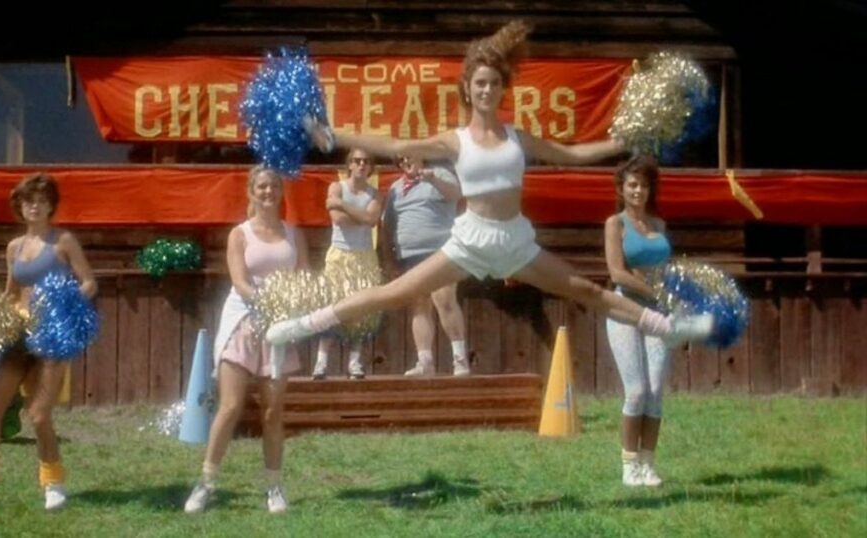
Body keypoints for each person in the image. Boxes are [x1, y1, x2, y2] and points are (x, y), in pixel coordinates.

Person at [266, 20, 713, 354]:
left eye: (494, 83)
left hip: (515, 241)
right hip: (470, 240)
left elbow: (572, 154)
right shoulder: (454, 140)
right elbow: (396, 144)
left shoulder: (518, 137)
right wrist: (332, 136)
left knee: (589, 291)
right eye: (480, 83)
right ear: (468, 88)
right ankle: (300, 326)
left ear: (502, 88)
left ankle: (669, 328)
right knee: (394, 293)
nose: (487, 90)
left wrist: (621, 141)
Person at [0, 173, 96, 514]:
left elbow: (88, 283)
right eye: (29, 201)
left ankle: (53, 484)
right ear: (20, 207)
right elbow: (12, 292)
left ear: (51, 206)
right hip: (18, 336)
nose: (35, 207)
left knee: (39, 415)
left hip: (52, 337)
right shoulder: (14, 247)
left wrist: (66, 306)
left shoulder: (64, 241)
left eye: (41, 201)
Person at [184, 166, 309, 514]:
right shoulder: (239, 235)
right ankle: (206, 483)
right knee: (230, 407)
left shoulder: (294, 235)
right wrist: (268, 304)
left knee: (272, 411)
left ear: (281, 192)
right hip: (243, 323)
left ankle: (274, 487)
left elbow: (302, 279)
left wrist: (290, 308)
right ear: (252, 192)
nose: (268, 192)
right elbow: (240, 282)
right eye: (262, 187)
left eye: (274, 186)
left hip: (280, 329)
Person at [603, 155, 672, 487]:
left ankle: (648, 464)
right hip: (625, 310)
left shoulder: (659, 225)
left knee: (655, 391)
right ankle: (629, 465)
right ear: (621, 188)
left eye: (644, 185)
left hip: (659, 312)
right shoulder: (614, 224)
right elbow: (617, 272)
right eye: (632, 184)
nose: (638, 191)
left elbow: (665, 269)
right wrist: (653, 291)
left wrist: (674, 293)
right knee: (636, 391)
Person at [380, 155, 469, 376]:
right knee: (419, 305)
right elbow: (387, 226)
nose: (406, 161)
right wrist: (390, 260)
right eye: (401, 159)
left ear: (421, 156)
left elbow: (455, 194)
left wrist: (431, 179)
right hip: (409, 255)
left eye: (410, 155)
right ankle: (425, 362)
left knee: (444, 300)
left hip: (441, 251)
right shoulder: (395, 188)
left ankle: (460, 359)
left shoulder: (439, 174)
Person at [311, 148, 383, 380]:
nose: (361, 165)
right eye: (357, 160)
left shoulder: (375, 194)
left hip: (365, 255)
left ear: (370, 167)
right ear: (349, 164)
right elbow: (338, 219)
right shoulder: (336, 187)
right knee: (332, 306)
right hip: (339, 254)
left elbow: (371, 219)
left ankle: (354, 361)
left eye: (366, 161)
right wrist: (356, 214)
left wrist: (341, 205)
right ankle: (321, 361)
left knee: (362, 309)